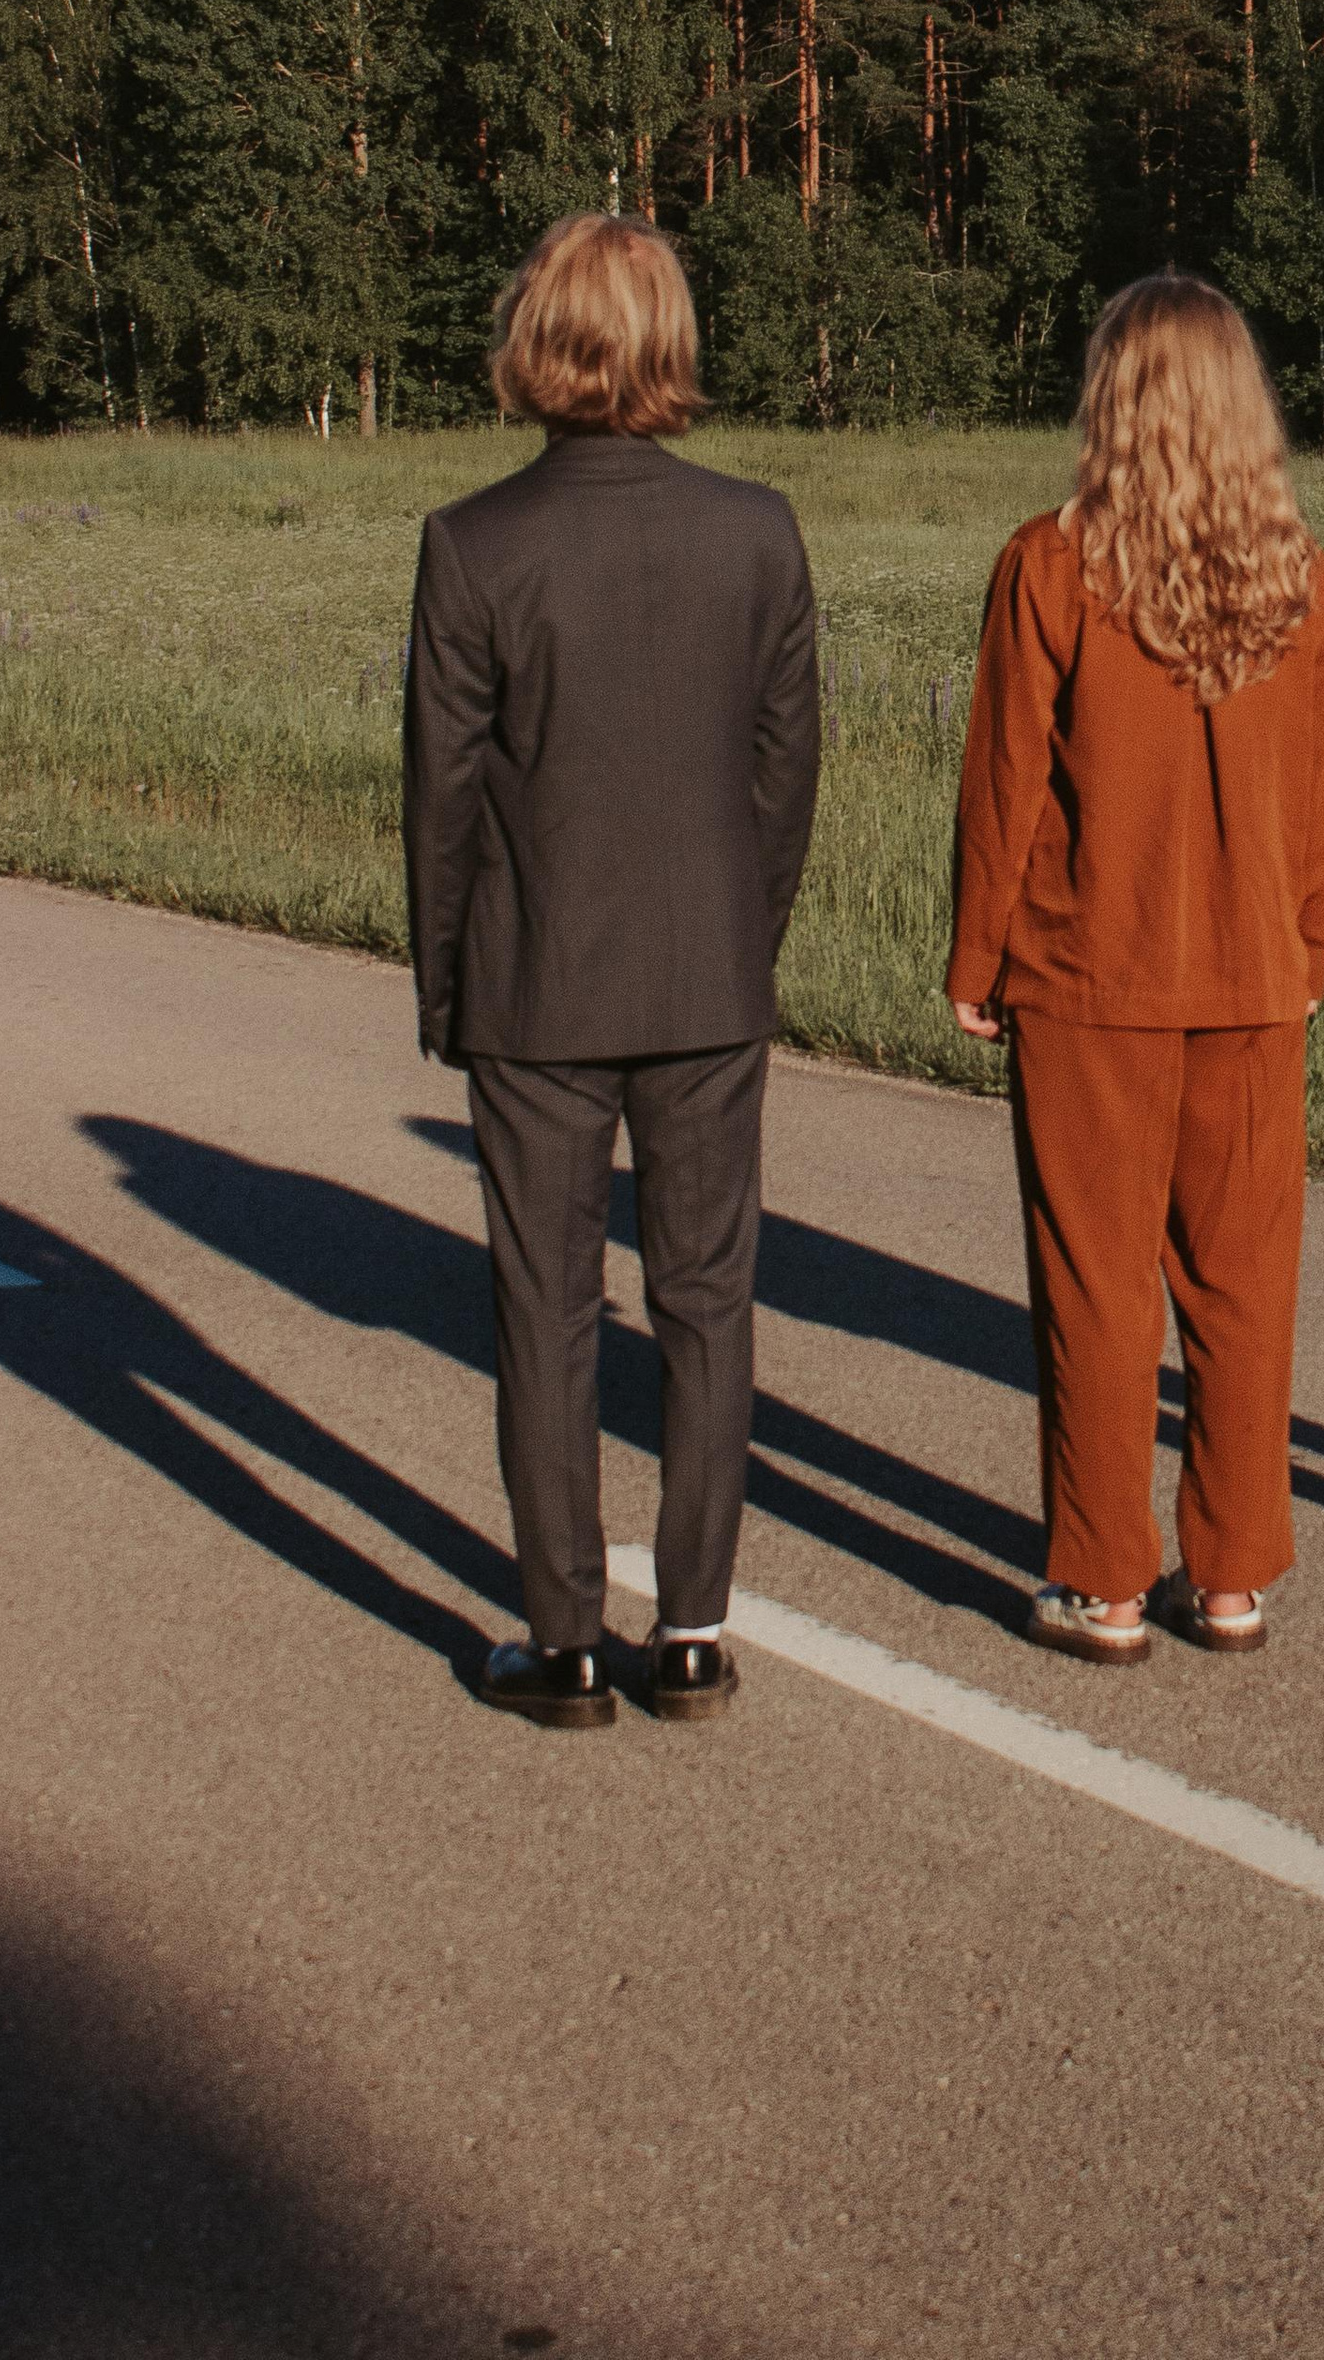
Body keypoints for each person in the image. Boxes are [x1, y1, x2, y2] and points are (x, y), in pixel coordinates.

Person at [403, 211, 819, 1726]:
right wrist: (740, 938)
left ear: (540, 340)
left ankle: (566, 1638)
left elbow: (440, 800)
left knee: (544, 1305)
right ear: (670, 344)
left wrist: (447, 984)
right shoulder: (757, 531)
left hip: (535, 984)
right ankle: (696, 1629)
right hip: (708, 973)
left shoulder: (474, 545)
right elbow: (788, 783)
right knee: (709, 1300)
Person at [946, 275, 1324, 1664]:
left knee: (1097, 1285)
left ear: (1112, 399)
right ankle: (1232, 1574)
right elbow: (1316, 805)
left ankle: (1107, 1579)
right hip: (1251, 978)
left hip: (1086, 975)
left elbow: (1005, 781)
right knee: (1243, 1287)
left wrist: (975, 953)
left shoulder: (1049, 566)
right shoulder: (1303, 580)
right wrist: (1307, 951)